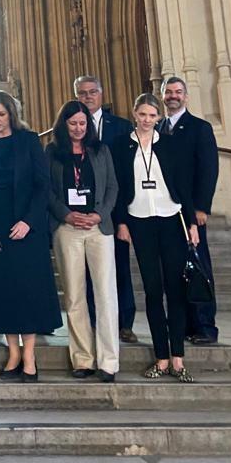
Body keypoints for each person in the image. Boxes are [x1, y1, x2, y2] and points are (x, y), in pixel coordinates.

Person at [0, 91, 61, 382]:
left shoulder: (28, 141)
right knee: (2, 292)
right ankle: (13, 353)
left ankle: (29, 355)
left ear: (11, 114)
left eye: (1, 114)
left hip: (25, 228)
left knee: (27, 292)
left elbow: (42, 186)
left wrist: (29, 222)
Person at [114, 93, 199, 382]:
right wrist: (121, 222)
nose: (147, 120)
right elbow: (118, 188)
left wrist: (192, 223)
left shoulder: (171, 145)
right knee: (152, 290)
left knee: (175, 289)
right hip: (139, 221)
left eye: (152, 115)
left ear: (158, 118)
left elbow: (183, 187)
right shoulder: (121, 146)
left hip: (170, 219)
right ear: (134, 114)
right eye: (142, 114)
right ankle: (161, 358)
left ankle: (178, 357)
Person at [47, 100, 120, 381]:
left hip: (98, 229)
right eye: (72, 123)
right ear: (63, 125)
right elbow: (48, 190)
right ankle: (83, 359)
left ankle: (108, 361)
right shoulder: (53, 152)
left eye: (82, 123)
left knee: (104, 294)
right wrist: (66, 215)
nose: (78, 128)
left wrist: (99, 215)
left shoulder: (101, 151)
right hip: (67, 230)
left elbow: (113, 186)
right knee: (75, 296)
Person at [74, 74, 136, 343]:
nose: (87, 97)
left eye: (92, 92)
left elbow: (127, 171)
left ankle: (125, 323)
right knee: (86, 272)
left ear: (101, 93)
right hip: (82, 209)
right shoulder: (72, 126)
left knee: (120, 267)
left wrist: (121, 213)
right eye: (82, 93)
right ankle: (92, 321)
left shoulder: (121, 127)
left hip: (115, 208)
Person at [161, 76, 219, 345]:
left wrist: (202, 208)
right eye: (169, 92)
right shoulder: (158, 127)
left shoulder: (199, 127)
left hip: (191, 211)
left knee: (198, 265)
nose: (173, 96)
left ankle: (205, 325)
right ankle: (184, 325)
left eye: (178, 92)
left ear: (186, 96)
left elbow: (208, 169)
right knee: (176, 268)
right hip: (165, 211)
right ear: (162, 96)